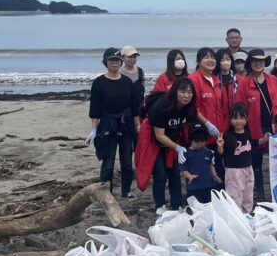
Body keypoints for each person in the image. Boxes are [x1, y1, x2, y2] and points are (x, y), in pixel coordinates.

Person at [137, 78, 210, 213]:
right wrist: (178, 148)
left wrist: (208, 124)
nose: (186, 95)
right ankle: (160, 204)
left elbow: (196, 115)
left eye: (189, 92)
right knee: (160, 173)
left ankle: (177, 204)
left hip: (173, 140)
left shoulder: (188, 106)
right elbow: (159, 135)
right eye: (182, 91)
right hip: (155, 141)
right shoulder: (161, 107)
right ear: (175, 91)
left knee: (175, 173)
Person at [87, 48, 141, 199]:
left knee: (127, 162)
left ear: (121, 62)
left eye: (117, 60)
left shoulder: (127, 82)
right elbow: (95, 109)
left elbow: (134, 107)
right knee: (108, 162)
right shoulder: (98, 83)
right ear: (105, 62)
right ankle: (106, 194)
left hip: (126, 125)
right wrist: (93, 129)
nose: (114, 63)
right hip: (107, 126)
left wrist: (138, 126)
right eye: (111, 60)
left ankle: (126, 191)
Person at [237, 49, 277, 200]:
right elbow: (240, 108)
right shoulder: (244, 83)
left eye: (261, 61)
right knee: (256, 165)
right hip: (254, 129)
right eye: (254, 61)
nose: (258, 63)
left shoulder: (273, 80)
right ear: (249, 63)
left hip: (274, 128)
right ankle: (260, 193)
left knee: (276, 163)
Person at [217, 102, 269, 214]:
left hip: (248, 168)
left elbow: (253, 143)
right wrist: (220, 146)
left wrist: (264, 140)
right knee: (235, 196)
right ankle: (236, 218)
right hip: (233, 170)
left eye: (242, 118)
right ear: (230, 119)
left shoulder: (247, 132)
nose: (239, 121)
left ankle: (247, 216)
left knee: (248, 194)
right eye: (235, 118)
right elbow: (222, 153)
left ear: (247, 118)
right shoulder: (228, 135)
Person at [180, 124, 221, 204]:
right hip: (194, 187)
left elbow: (211, 165)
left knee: (209, 205)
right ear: (191, 140)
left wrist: (215, 176)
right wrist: (189, 176)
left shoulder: (208, 152)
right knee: (194, 207)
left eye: (202, 142)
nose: (200, 144)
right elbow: (183, 169)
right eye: (197, 142)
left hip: (209, 185)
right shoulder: (186, 153)